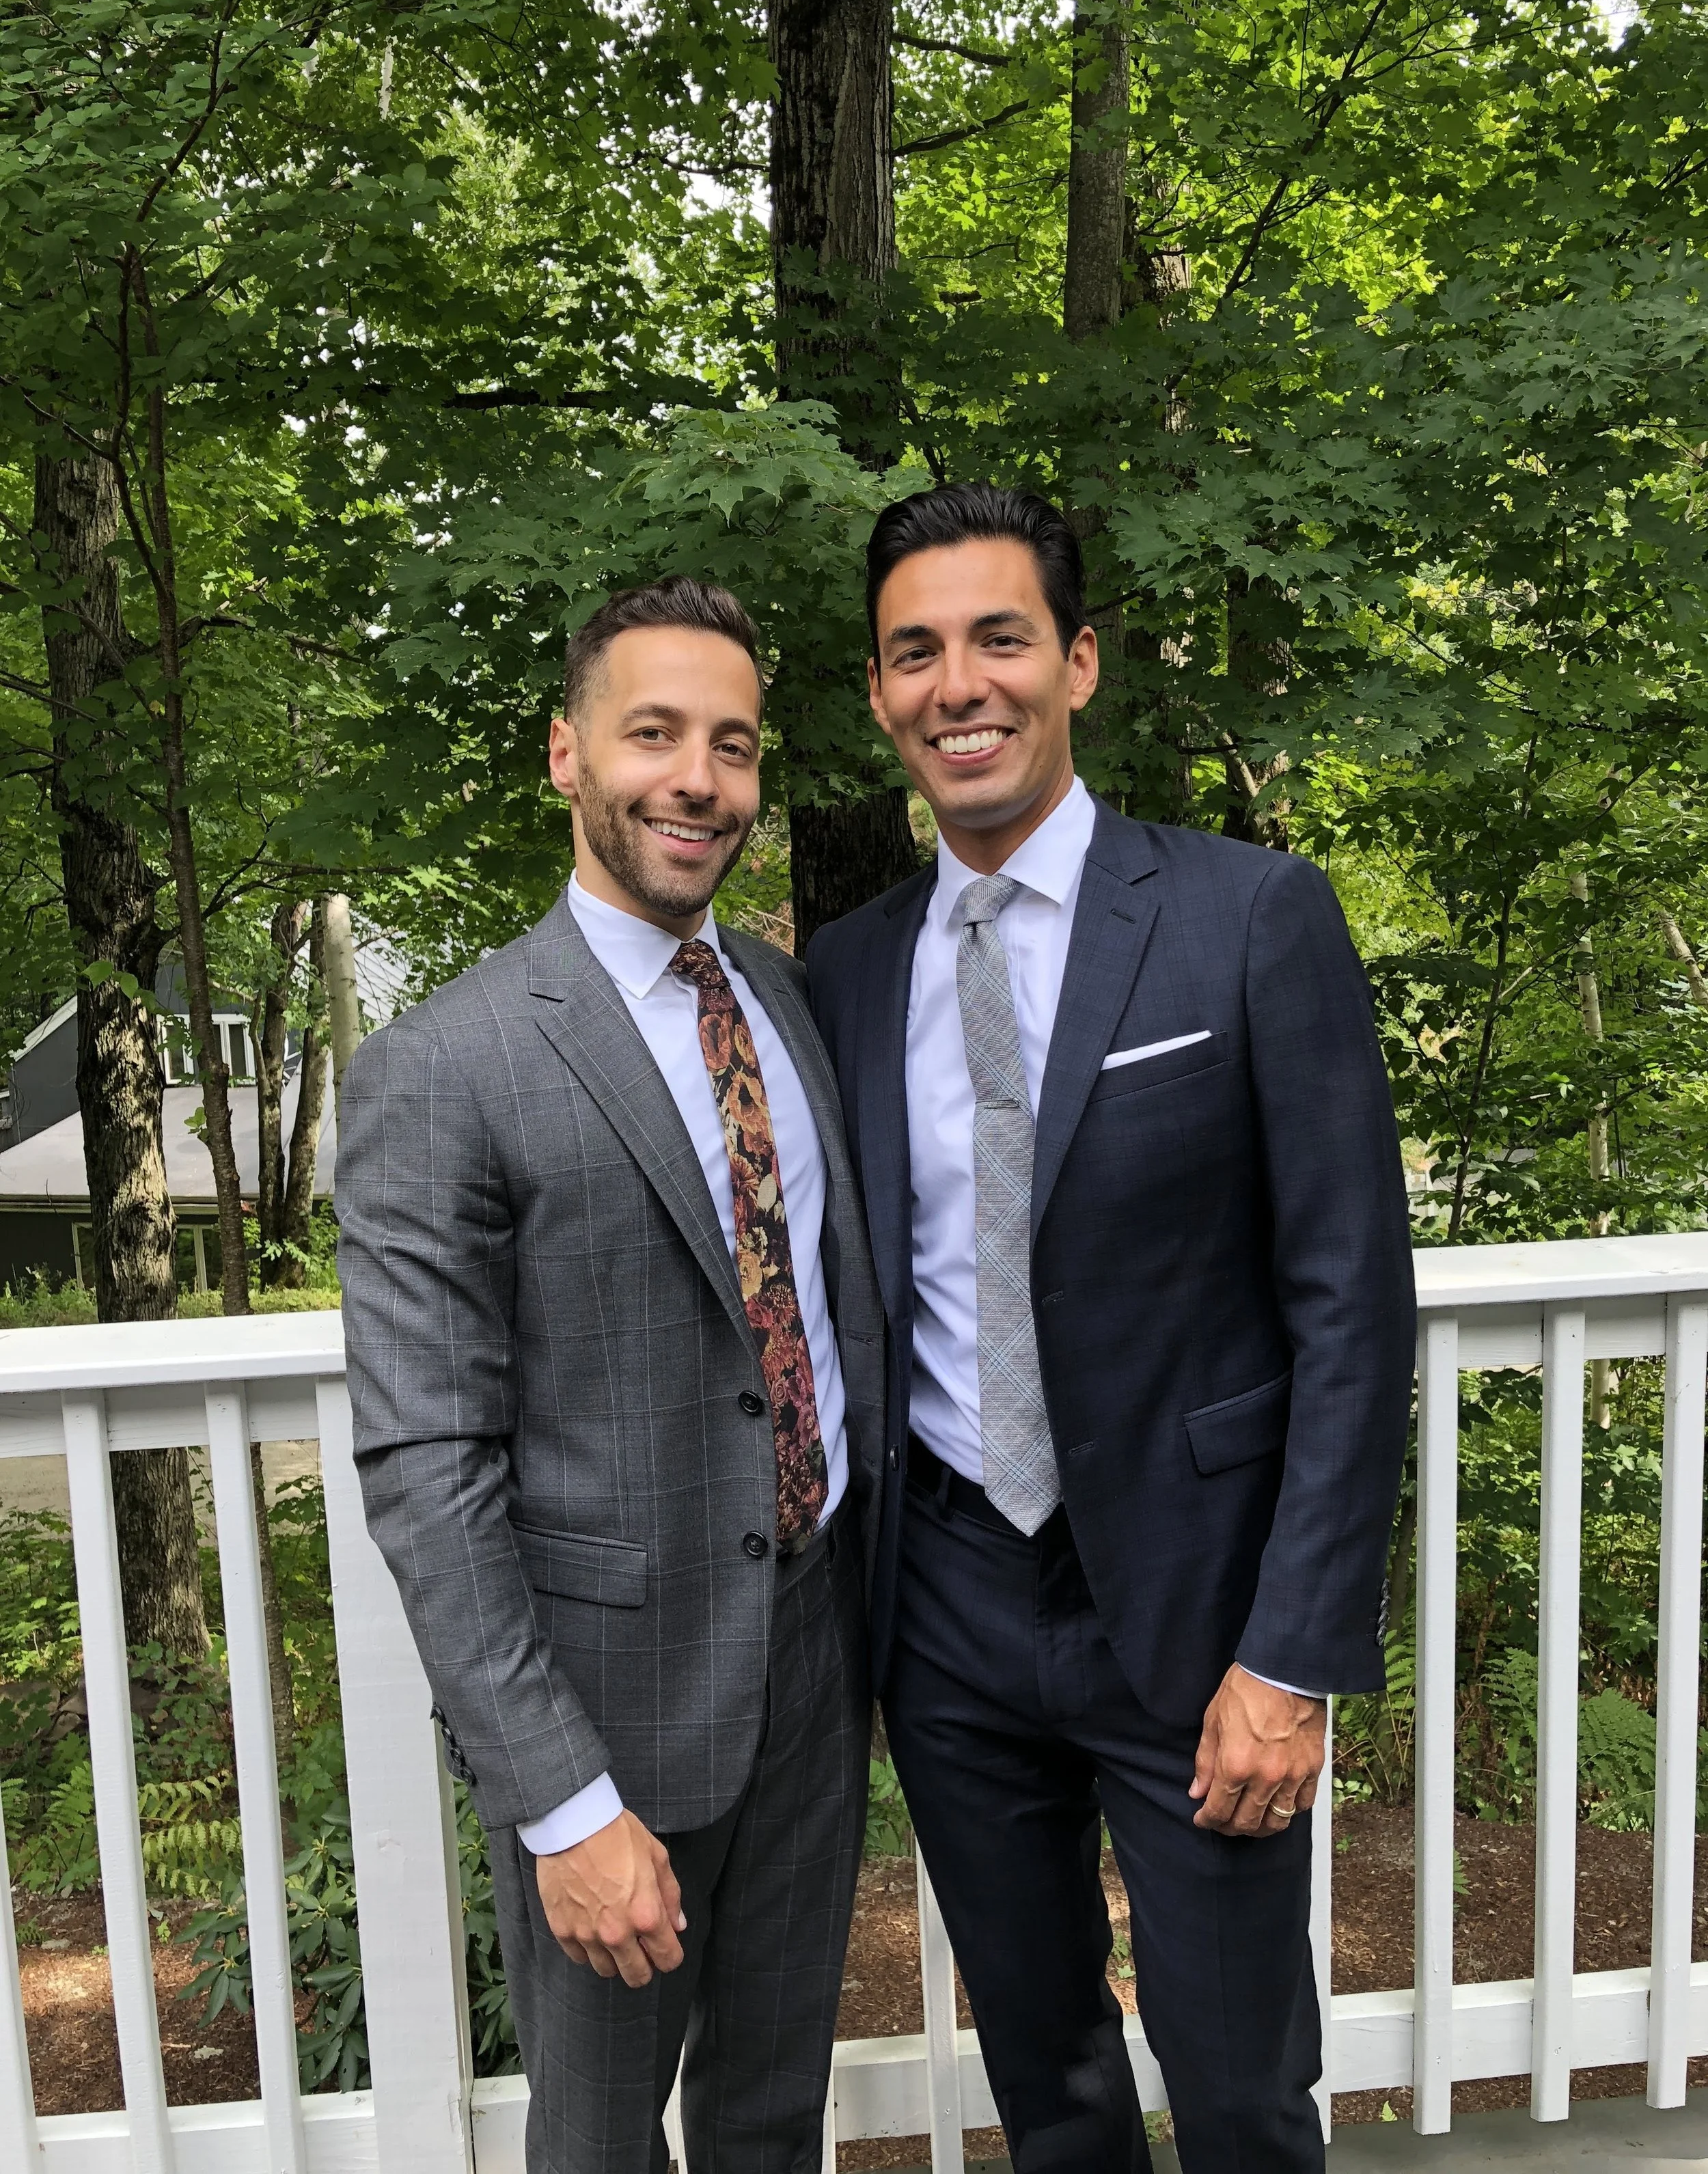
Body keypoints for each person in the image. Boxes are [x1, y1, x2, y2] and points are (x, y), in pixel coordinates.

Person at [805, 484, 1415, 2173]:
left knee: (1236, 2093)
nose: (959, 684)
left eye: (998, 638)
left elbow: (1351, 1310)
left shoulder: (1244, 915)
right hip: (946, 1609)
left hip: (1201, 1612)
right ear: (877, 693)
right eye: (913, 652)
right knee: (1050, 2085)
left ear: (1074, 662)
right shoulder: (845, 974)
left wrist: (1291, 1656)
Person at [337, 577, 883, 2174]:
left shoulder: (780, 999)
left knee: (774, 2113)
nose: (696, 779)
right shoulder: (446, 1067)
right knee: (594, 2140)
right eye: (653, 733)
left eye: (731, 743)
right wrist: (562, 1805)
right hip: (604, 1704)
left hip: (809, 1647)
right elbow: (427, 1471)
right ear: (566, 753)